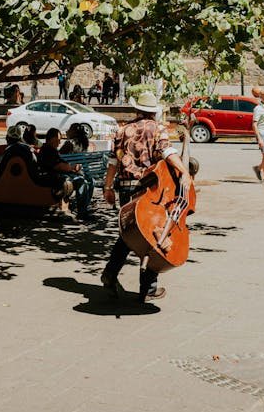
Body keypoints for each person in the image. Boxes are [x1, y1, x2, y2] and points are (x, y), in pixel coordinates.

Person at [101, 90, 191, 303]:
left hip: (125, 188)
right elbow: (167, 152)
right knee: (153, 236)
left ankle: (110, 274)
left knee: (129, 233)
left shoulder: (122, 131)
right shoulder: (158, 129)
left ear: (137, 109)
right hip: (149, 189)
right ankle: (148, 287)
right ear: (153, 112)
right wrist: (184, 172)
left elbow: (113, 162)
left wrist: (107, 187)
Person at [37, 128, 91, 218]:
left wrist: (72, 168)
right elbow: (58, 166)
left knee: (88, 180)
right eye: (58, 140)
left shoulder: (51, 150)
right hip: (54, 179)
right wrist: (72, 167)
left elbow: (60, 164)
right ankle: (82, 212)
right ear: (52, 139)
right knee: (81, 182)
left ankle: (83, 208)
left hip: (59, 176)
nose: (59, 143)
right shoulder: (48, 150)